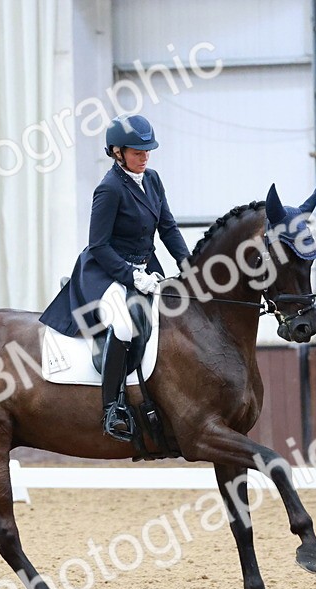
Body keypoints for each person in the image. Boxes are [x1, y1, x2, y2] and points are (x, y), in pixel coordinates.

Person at [38, 114, 191, 441]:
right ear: (117, 152)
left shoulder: (153, 180)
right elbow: (99, 246)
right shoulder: (109, 189)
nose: (144, 157)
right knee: (123, 325)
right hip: (105, 272)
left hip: (145, 268)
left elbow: (168, 228)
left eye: (147, 151)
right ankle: (112, 408)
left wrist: (188, 264)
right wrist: (132, 276)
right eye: (137, 152)